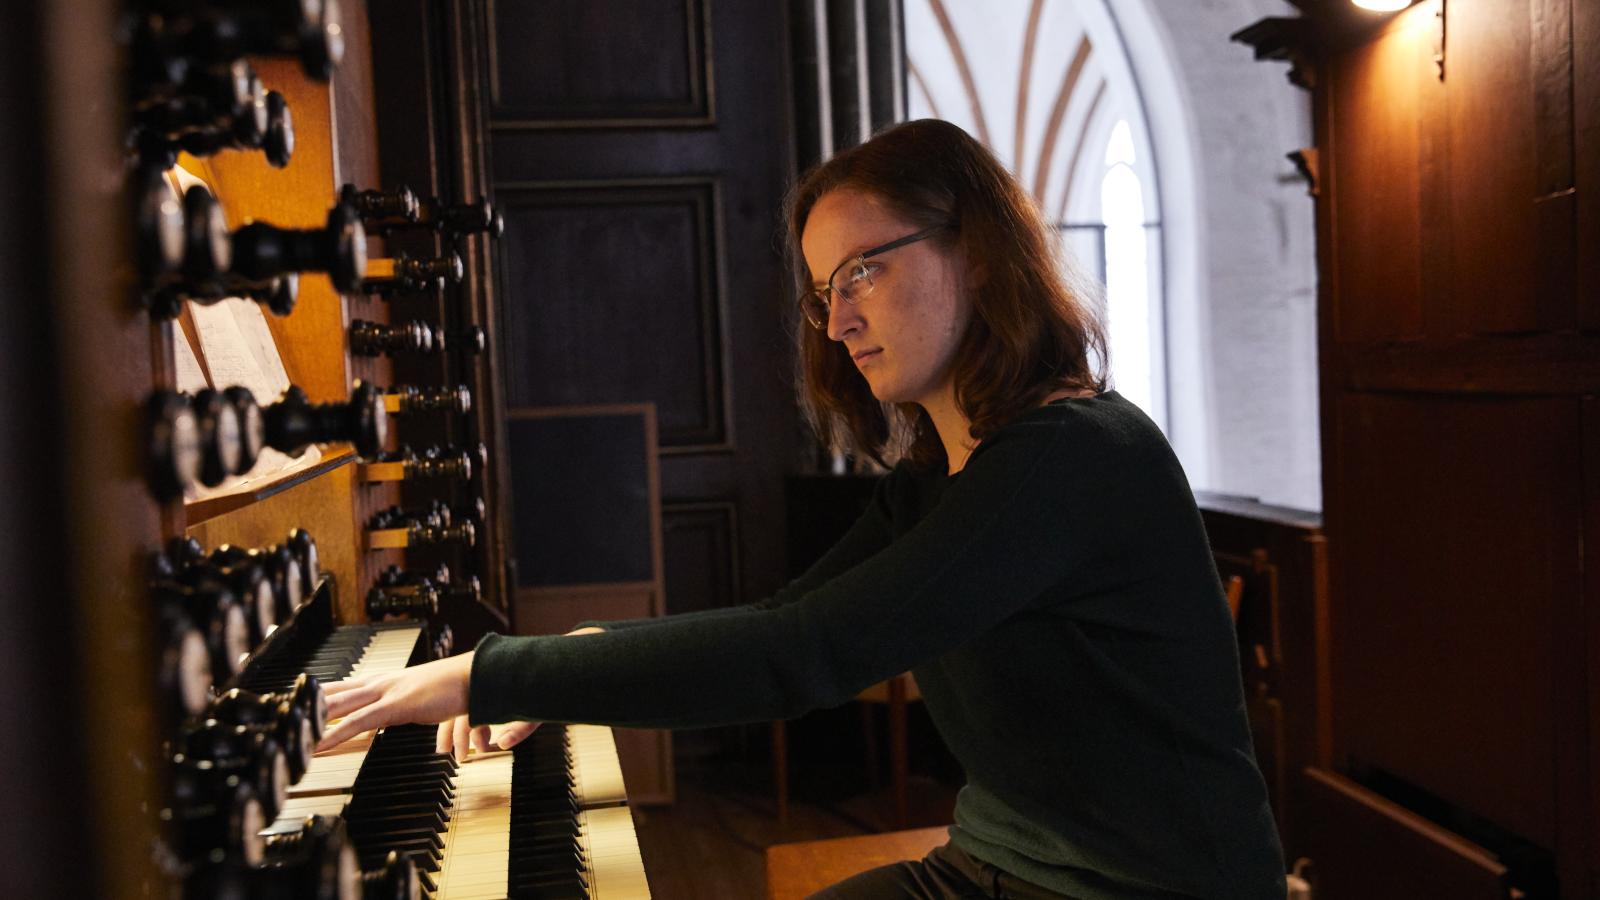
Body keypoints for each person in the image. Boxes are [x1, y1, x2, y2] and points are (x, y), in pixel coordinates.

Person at [319, 118, 1287, 899]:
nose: (838, 319)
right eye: (824, 291)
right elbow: (788, 615)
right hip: (991, 867)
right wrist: (573, 659)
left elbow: (803, 654)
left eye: (864, 269)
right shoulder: (940, 476)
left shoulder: (1072, 459)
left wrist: (493, 673)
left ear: (979, 255)